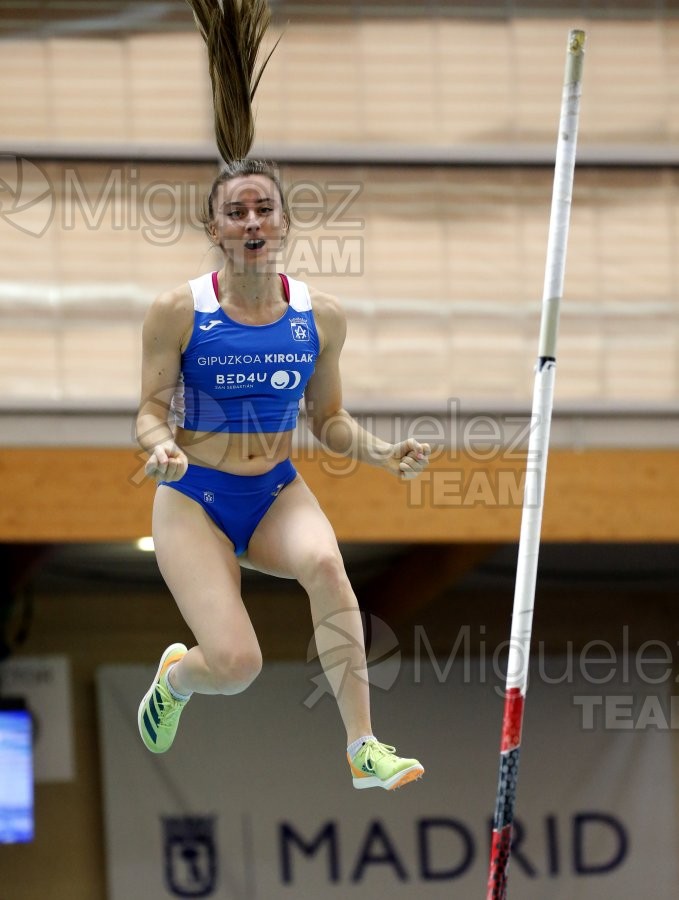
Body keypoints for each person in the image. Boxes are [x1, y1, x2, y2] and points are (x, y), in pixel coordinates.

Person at [136, 0, 430, 791]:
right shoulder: (181, 310)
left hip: (273, 489)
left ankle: (362, 747)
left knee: (329, 570)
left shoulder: (318, 318)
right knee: (233, 667)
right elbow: (148, 409)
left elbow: (327, 422)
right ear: (216, 230)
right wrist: (158, 445)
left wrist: (379, 454)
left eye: (264, 208)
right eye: (237, 211)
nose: (252, 220)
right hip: (193, 498)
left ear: (285, 224)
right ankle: (174, 680)